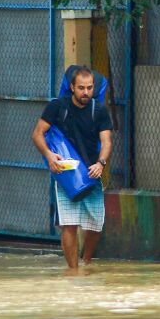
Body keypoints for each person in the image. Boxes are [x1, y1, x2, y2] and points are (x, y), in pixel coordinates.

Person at [32, 66, 113, 269]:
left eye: (90, 88)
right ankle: (73, 271)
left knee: (95, 225)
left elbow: (107, 142)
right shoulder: (57, 107)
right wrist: (49, 156)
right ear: (72, 87)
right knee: (69, 224)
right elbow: (37, 134)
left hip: (92, 173)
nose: (86, 92)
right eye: (81, 88)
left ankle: (86, 263)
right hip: (66, 174)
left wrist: (100, 164)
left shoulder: (99, 110)